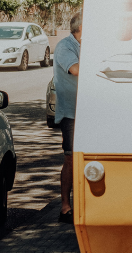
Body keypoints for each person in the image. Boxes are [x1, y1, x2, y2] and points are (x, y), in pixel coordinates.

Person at [53, 12, 81, 224]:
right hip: (72, 113)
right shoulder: (65, 46)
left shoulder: (85, 45)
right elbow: (76, 69)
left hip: (88, 110)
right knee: (71, 158)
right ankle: (65, 206)